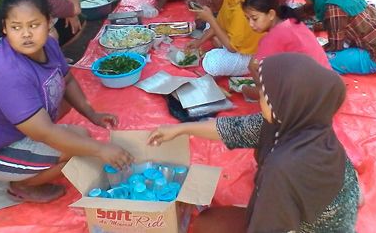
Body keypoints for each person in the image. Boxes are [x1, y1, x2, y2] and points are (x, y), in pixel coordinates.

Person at [148, 53, 360, 233]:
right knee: (210, 221)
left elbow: (269, 227)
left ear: (283, 104)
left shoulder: (285, 167)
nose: (260, 97)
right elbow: (234, 128)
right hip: (317, 214)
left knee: (207, 224)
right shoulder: (302, 121)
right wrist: (180, 129)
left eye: (266, 95)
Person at [0, 0, 133, 203]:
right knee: (73, 153)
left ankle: (27, 169)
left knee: (83, 137)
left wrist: (92, 114)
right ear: (4, 28)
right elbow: (46, 133)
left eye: (34, 25)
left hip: (22, 132)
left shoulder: (49, 45)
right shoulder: (6, 72)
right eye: (16, 27)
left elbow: (67, 79)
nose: (26, 34)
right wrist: (102, 150)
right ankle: (20, 186)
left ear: (49, 21)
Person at [188, 0, 262, 76]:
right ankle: (220, 47)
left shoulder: (248, 5)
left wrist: (210, 18)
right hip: (234, 41)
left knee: (212, 62)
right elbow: (220, 23)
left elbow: (232, 48)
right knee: (209, 26)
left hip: (250, 56)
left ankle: (225, 55)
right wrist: (199, 42)